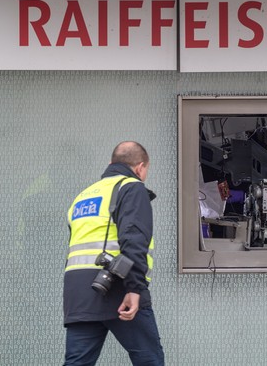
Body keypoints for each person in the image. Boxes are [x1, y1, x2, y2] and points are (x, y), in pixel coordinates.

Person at [63, 141, 164, 366]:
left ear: (111, 163)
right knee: (149, 359)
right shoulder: (131, 187)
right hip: (118, 287)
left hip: (79, 293)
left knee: (77, 362)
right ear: (140, 167)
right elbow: (134, 239)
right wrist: (135, 288)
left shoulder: (83, 196)